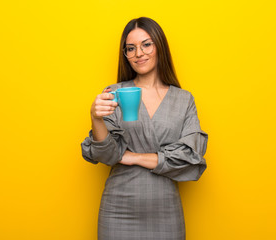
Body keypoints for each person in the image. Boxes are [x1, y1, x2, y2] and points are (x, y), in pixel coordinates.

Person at [81, 17, 208, 240]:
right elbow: (107, 154)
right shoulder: (114, 93)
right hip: (117, 209)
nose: (139, 53)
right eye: (131, 48)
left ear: (160, 47)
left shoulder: (184, 100)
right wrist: (96, 119)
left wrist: (134, 157)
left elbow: (190, 158)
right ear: (126, 55)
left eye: (146, 44)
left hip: (166, 210)